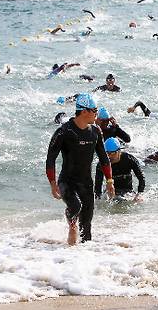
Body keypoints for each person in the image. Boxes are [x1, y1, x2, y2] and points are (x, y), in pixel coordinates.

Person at [46, 93, 114, 245]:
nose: (97, 113)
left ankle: (83, 259)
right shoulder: (64, 131)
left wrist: (110, 180)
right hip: (67, 182)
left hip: (86, 183)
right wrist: (52, 183)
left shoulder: (95, 131)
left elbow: (103, 157)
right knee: (75, 207)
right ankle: (71, 224)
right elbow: (50, 159)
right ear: (84, 111)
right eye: (94, 110)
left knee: (87, 227)